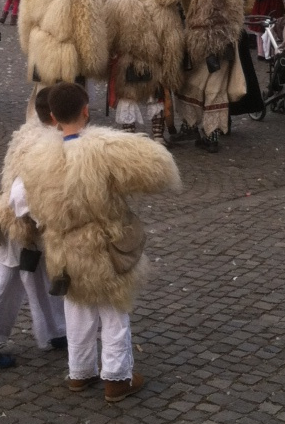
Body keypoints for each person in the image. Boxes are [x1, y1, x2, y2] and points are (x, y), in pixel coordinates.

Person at [20, 81, 181, 402]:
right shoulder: (105, 149)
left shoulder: (36, 156)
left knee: (77, 308)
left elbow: (24, 205)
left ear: (51, 116)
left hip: (63, 248)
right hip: (104, 245)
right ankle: (117, 378)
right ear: (85, 110)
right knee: (113, 310)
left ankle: (80, 373)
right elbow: (159, 171)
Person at [0, 89, 67, 371]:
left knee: (39, 277)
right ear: (54, 115)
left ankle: (55, 331)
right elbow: (20, 194)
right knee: (2, 283)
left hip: (18, 224)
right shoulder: (44, 145)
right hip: (19, 227)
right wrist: (45, 221)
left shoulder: (29, 133)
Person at [152, 0, 246, 153]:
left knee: (190, 83)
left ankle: (190, 125)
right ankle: (212, 134)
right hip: (226, 39)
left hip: (199, 38)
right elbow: (240, 4)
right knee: (216, 87)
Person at [18, 0, 108, 101]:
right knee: (67, 104)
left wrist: (28, 44)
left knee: (43, 99)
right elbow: (87, 22)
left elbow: (25, 15)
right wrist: (91, 59)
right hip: (67, 54)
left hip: (41, 46)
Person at [104, 0, 183, 139]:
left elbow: (109, 35)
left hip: (127, 62)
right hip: (155, 64)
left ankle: (129, 135)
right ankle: (158, 136)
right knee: (156, 99)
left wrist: (108, 61)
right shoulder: (165, 6)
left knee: (127, 98)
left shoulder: (118, 1)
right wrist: (171, 73)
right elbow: (173, 43)